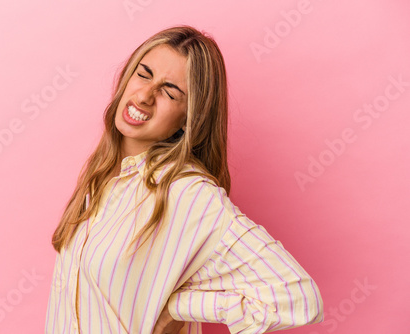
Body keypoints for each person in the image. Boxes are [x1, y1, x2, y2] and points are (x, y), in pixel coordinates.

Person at [45, 25, 323, 333]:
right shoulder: (103, 175)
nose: (145, 95)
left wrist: (180, 306)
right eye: (143, 74)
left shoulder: (186, 192)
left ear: (190, 116)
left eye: (169, 91)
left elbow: (297, 297)